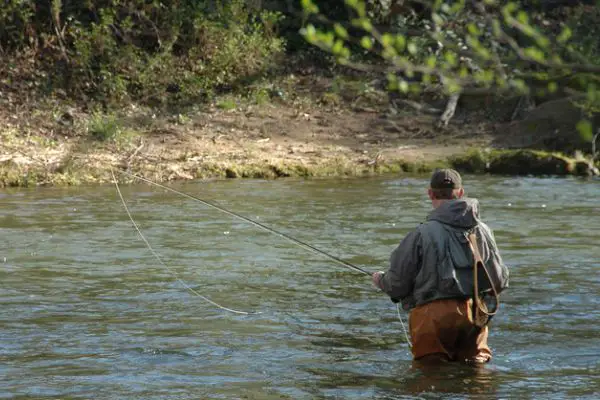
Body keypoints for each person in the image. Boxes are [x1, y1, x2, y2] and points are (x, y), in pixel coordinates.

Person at [372, 169, 509, 364]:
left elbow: (397, 285)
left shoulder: (421, 233)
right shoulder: (484, 231)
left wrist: (380, 280)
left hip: (432, 316)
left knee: (432, 375)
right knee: (477, 375)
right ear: (460, 193)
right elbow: (500, 281)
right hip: (476, 313)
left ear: (430, 194)